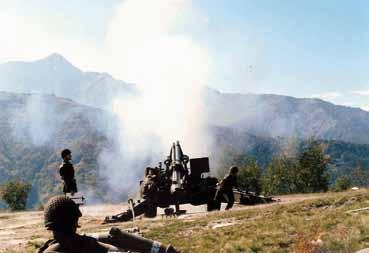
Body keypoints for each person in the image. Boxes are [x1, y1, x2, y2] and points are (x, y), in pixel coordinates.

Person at [38, 195, 180, 253]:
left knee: (114, 235)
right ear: (75, 221)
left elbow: (112, 237)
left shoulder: (53, 246)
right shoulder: (84, 244)